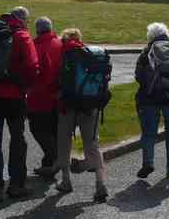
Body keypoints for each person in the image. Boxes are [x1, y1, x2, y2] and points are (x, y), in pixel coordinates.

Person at [0, 7, 39, 203]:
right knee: (17, 140)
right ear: (22, 20)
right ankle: (16, 185)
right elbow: (32, 67)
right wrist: (26, 85)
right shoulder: (22, 36)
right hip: (14, 97)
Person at [55, 28, 108, 203]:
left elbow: (57, 80)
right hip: (90, 105)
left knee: (64, 141)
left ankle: (66, 181)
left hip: (69, 106)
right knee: (92, 144)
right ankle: (100, 184)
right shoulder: (90, 55)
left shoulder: (65, 53)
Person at [135, 22, 169, 180]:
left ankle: (148, 162)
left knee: (149, 133)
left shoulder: (146, 52)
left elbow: (138, 75)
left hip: (150, 98)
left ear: (151, 35)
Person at [27, 16, 63, 179]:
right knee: (54, 129)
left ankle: (54, 158)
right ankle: (49, 162)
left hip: (40, 95)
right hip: (59, 96)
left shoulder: (35, 46)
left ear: (37, 29)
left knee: (38, 129)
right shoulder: (60, 43)